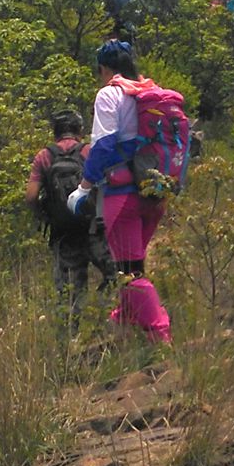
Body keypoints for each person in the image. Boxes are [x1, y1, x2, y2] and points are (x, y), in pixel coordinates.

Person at [72, 37, 173, 342]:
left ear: (103, 68)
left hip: (122, 196)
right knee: (131, 265)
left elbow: (103, 146)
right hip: (154, 192)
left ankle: (160, 337)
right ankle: (123, 324)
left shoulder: (109, 95)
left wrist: (83, 187)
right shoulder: (149, 94)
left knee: (130, 271)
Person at [26, 111, 109, 309]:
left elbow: (30, 196)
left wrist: (43, 216)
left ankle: (71, 337)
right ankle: (103, 311)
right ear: (79, 130)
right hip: (93, 229)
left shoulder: (44, 157)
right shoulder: (88, 151)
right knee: (119, 275)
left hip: (63, 234)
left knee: (70, 295)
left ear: (55, 132)